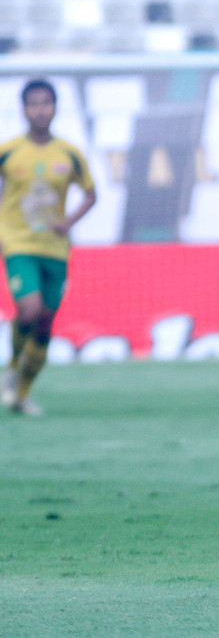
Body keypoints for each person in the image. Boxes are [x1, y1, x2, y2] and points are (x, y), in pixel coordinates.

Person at [0, 79, 97, 416]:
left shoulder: (69, 154)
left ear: (55, 107)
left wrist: (68, 222)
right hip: (17, 242)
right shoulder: (9, 151)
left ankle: (21, 395)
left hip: (54, 248)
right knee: (28, 309)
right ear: (23, 109)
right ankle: (12, 367)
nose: (40, 109)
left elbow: (90, 193)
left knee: (44, 322)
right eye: (33, 103)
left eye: (46, 103)